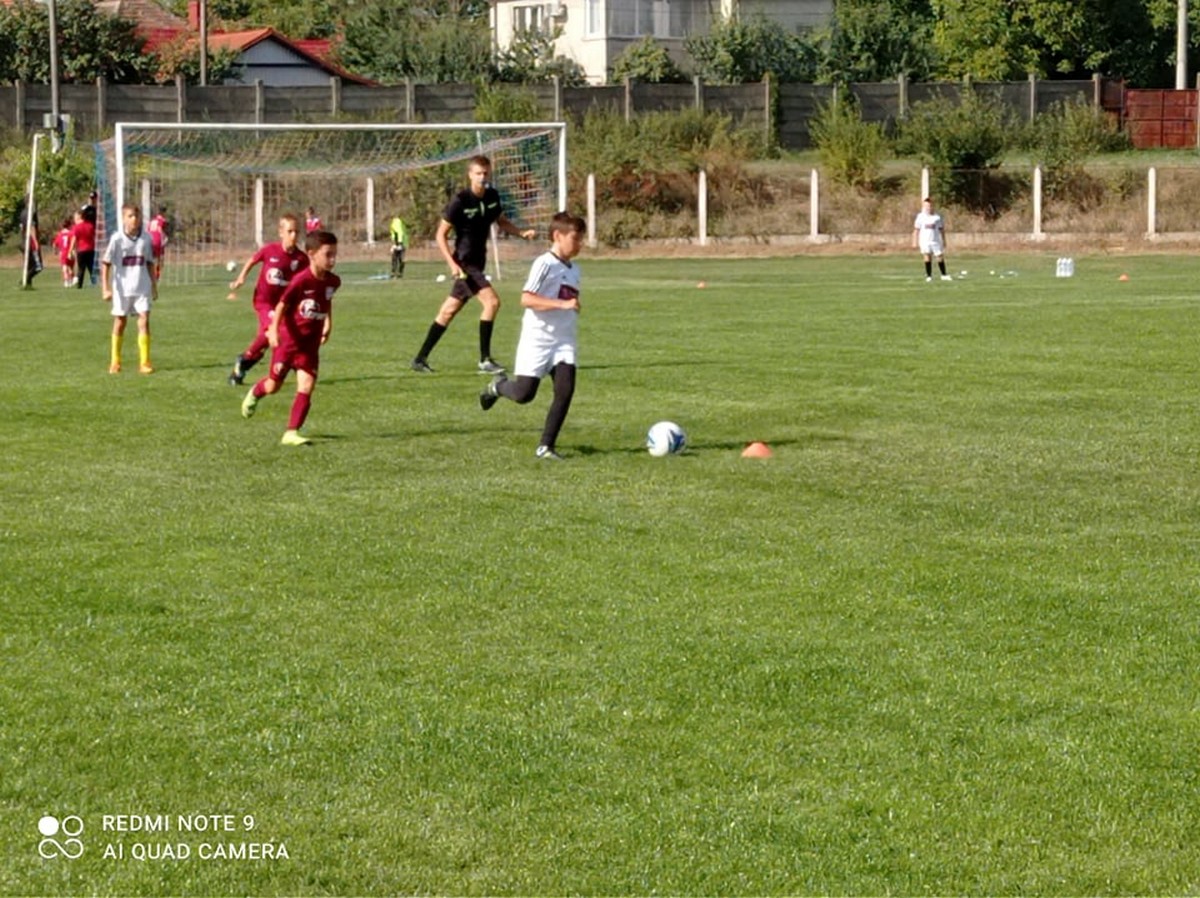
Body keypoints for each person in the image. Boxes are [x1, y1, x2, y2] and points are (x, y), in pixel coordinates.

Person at [410, 154, 536, 375]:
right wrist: (452, 263)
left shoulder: (492, 197)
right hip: (465, 264)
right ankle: (485, 360)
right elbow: (440, 235)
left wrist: (521, 232)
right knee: (492, 302)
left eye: (486, 173)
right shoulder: (460, 201)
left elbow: (502, 221)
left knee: (448, 311)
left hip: (478, 262)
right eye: (478, 173)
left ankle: (420, 359)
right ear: (470, 175)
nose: (482, 177)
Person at [478, 211, 585, 460]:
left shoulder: (575, 269)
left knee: (565, 390)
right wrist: (563, 305)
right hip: (537, 340)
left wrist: (569, 308)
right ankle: (498, 387)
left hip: (564, 341)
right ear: (557, 236)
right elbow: (526, 298)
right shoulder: (544, 264)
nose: (579, 244)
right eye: (576, 238)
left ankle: (546, 446)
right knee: (524, 394)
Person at [240, 229, 340, 447]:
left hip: (309, 346)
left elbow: (327, 300)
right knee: (273, 386)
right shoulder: (300, 281)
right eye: (328, 254)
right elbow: (282, 305)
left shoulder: (333, 281)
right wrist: (274, 330)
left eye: (334, 254)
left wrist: (328, 323)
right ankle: (256, 392)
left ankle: (291, 432)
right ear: (312, 254)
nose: (333, 259)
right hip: (288, 342)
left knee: (306, 385)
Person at [225, 213, 309, 386]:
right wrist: (241, 278)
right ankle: (288, 363)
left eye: (296, 232)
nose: (294, 235)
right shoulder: (270, 250)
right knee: (273, 331)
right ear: (281, 232)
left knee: (265, 340)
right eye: (290, 231)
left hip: (283, 306)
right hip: (264, 302)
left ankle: (243, 363)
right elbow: (252, 260)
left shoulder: (301, 259)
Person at [101, 204, 158, 375]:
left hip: (142, 287)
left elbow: (149, 263)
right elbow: (106, 263)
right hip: (122, 289)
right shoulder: (117, 239)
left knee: (144, 320)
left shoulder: (146, 239)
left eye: (137, 216)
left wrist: (154, 286)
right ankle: (115, 362)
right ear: (124, 219)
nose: (135, 219)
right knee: (120, 322)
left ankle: (145, 362)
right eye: (131, 216)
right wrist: (105, 288)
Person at [912, 197, 951, 282]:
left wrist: (944, 241)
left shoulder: (937, 217)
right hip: (925, 241)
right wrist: (914, 241)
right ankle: (929, 276)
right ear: (923, 206)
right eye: (926, 206)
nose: (928, 208)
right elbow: (916, 230)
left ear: (932, 206)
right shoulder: (920, 217)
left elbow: (941, 229)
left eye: (930, 206)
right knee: (927, 257)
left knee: (939, 256)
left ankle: (943, 275)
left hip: (935, 241)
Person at [67, 209, 96, 289]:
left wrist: (70, 251)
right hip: (90, 249)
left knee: (81, 269)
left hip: (81, 250)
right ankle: (94, 283)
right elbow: (94, 237)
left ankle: (79, 285)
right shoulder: (90, 225)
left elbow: (74, 239)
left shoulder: (77, 227)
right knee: (91, 268)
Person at [147, 205, 169, 275]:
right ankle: (156, 275)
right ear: (164, 212)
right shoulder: (162, 220)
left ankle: (150, 273)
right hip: (158, 240)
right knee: (160, 258)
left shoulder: (152, 220)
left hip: (150, 240)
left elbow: (148, 230)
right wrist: (165, 238)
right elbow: (160, 230)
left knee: (152, 257)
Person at [54, 216, 73, 287]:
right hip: (70, 252)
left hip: (63, 253)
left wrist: (55, 251)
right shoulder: (71, 233)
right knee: (70, 268)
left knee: (64, 268)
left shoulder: (60, 234)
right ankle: (71, 281)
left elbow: (55, 244)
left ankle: (66, 281)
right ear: (69, 225)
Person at [388, 213, 408, 278]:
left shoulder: (397, 222)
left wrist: (399, 244)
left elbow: (400, 233)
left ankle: (399, 273)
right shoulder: (393, 223)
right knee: (395, 257)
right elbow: (394, 234)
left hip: (402, 242)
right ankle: (394, 272)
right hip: (399, 242)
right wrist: (394, 244)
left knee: (400, 258)